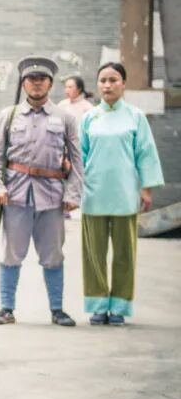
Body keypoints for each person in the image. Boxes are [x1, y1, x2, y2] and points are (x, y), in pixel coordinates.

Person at [0, 56, 83, 328]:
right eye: (31, 79)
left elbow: (77, 159)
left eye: (42, 79)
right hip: (15, 194)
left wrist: (73, 193)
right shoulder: (9, 115)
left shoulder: (65, 118)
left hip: (52, 196)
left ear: (50, 83)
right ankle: (6, 308)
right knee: (11, 254)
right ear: (23, 83)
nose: (36, 83)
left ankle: (57, 309)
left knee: (53, 255)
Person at [79, 62, 164, 325]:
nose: (107, 85)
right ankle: (97, 304)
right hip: (93, 194)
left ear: (123, 84)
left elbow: (146, 154)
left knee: (125, 254)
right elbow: (80, 157)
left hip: (125, 195)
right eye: (103, 80)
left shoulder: (135, 117)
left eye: (113, 80)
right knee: (93, 254)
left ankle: (119, 306)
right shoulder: (89, 118)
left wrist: (146, 190)